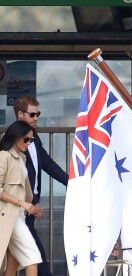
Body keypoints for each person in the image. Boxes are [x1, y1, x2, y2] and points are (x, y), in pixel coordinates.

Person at [13, 96, 69, 276]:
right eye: (32, 114)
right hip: (15, 211)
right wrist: (34, 201)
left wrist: (71, 183)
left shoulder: (33, 139)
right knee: (36, 259)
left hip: (25, 213)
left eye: (38, 113)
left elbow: (47, 163)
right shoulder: (13, 143)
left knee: (14, 263)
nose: (36, 117)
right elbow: (20, 177)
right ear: (20, 114)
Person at [0, 120, 42, 276]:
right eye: (26, 139)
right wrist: (21, 202)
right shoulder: (4, 156)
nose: (28, 143)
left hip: (18, 216)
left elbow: (26, 191)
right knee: (32, 258)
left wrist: (34, 204)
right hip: (8, 215)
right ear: (15, 136)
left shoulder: (21, 158)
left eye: (31, 140)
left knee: (13, 261)